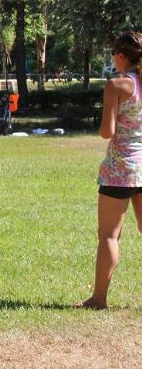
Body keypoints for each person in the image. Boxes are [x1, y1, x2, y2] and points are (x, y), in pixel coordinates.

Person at [78, 31, 142, 310]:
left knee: (109, 235)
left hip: (120, 168)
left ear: (119, 56)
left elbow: (107, 131)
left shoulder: (117, 84)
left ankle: (99, 299)